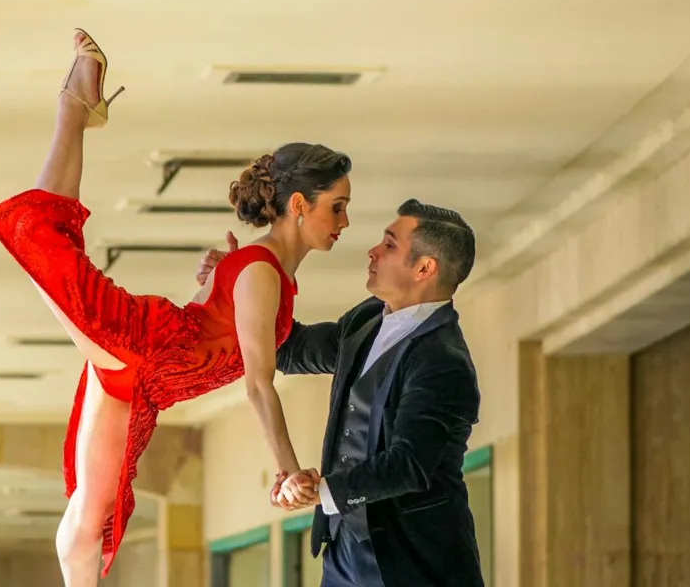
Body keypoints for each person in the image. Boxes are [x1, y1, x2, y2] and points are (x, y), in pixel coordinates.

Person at [0, 29, 351, 586]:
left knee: (88, 524)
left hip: (146, 385)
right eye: (337, 207)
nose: (344, 222)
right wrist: (286, 470)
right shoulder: (260, 268)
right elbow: (258, 384)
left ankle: (78, 109)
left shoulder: (262, 271)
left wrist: (216, 282)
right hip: (137, 344)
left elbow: (210, 325)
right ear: (299, 204)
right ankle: (73, 106)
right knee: (40, 238)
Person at [196, 200, 484, 587]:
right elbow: (290, 350)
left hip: (414, 564)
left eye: (389, 244)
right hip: (342, 555)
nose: (373, 251)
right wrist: (237, 289)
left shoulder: (443, 360)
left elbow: (409, 464)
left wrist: (322, 492)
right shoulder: (366, 319)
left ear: (424, 268)